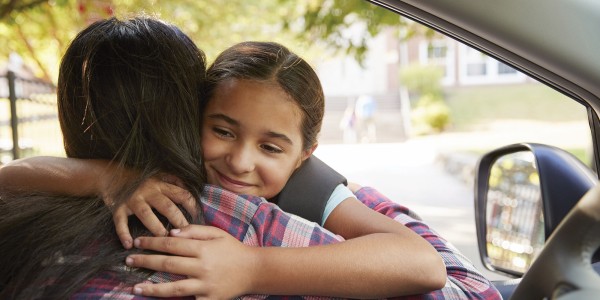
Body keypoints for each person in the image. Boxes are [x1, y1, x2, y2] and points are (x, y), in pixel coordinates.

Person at [0, 17, 502, 299]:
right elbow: (464, 288)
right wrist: (108, 176)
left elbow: (420, 262)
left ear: (306, 156)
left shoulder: (318, 198)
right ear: (190, 114)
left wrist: (254, 267)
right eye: (221, 130)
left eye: (271, 146)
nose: (239, 161)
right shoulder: (224, 214)